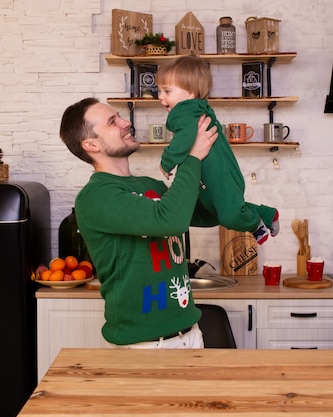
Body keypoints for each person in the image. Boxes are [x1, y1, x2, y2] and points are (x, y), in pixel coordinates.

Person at [59, 97, 219, 348]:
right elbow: (171, 221)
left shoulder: (150, 185)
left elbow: (208, 214)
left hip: (190, 334)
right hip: (143, 346)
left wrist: (212, 163)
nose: (126, 123)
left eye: (119, 116)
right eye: (113, 122)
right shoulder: (96, 196)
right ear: (91, 144)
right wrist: (192, 158)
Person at [155, 54, 280, 244]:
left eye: (166, 91)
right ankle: (266, 213)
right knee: (215, 211)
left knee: (228, 216)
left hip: (217, 176)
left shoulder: (185, 111)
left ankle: (255, 224)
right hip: (215, 178)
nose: (160, 97)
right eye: (159, 91)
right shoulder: (198, 110)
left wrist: (166, 163)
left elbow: (184, 138)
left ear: (189, 93)